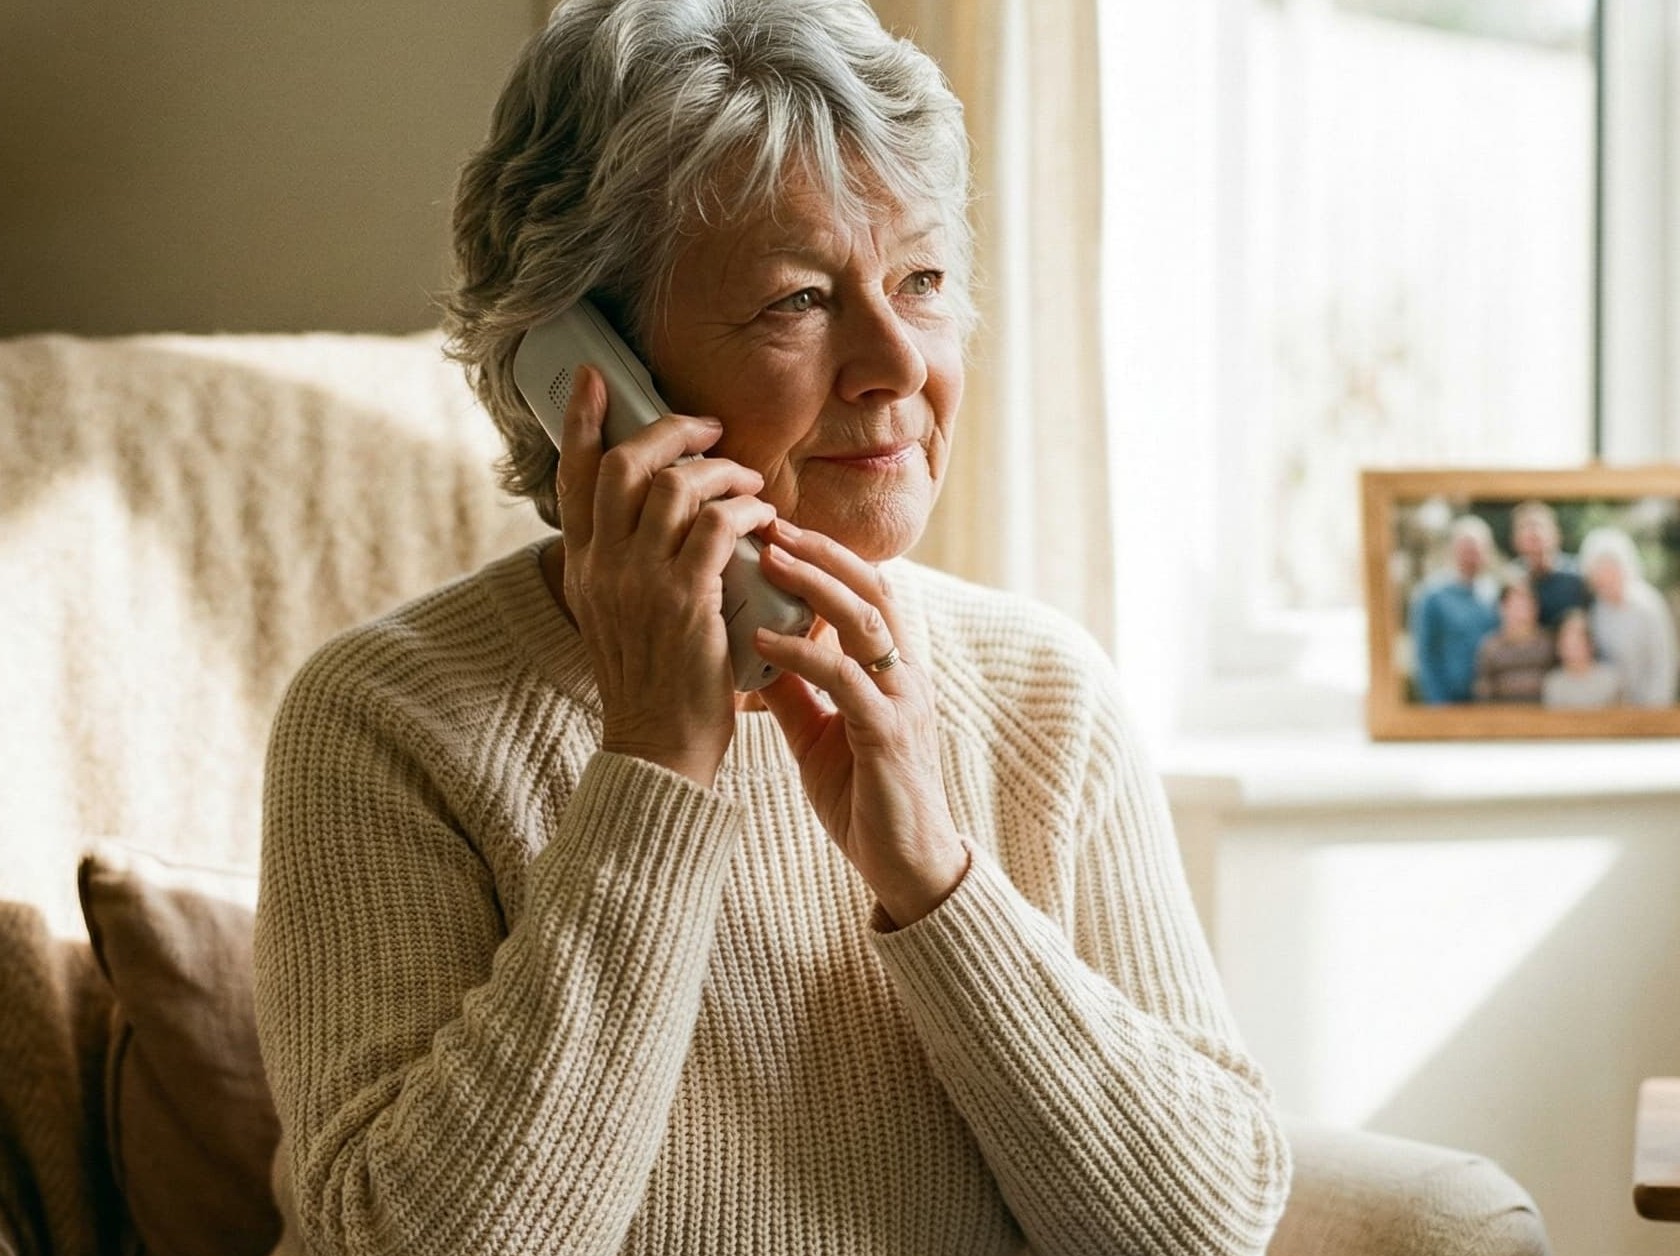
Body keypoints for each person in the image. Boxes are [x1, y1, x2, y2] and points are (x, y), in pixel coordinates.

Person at [250, 2, 1291, 1254]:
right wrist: (649, 764)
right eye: (800, 300)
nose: (899, 362)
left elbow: (1209, 1229)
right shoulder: (384, 717)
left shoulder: (1043, 689)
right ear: (587, 374)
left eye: (921, 280)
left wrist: (938, 881)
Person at [1580, 526, 1679, 708]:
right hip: (1615, 707)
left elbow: (1663, 662)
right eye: (1598, 572)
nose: (1604, 578)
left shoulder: (1649, 604)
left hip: (1652, 703)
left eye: (1609, 570)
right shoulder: (1598, 610)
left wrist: (1654, 707)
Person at [1408, 514, 1500, 704]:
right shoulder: (1432, 595)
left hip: (1488, 701)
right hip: (1448, 700)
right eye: (1466, 550)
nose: (1472, 556)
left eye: (1477, 550)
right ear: (1452, 550)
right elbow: (1424, 656)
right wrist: (1437, 703)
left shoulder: (1493, 592)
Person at [1507, 499, 1589, 630]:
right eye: (1527, 532)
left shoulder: (1578, 576)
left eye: (1539, 528)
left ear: (1556, 535)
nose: (1534, 535)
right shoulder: (1512, 580)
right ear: (1516, 541)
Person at [1473, 580, 1555, 703]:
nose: (1521, 613)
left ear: (1535, 609)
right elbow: (1482, 688)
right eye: (1515, 606)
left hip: (1543, 715)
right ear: (1503, 609)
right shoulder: (1490, 646)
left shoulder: (1548, 643)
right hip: (1502, 716)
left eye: (1526, 606)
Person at [1541, 608, 1625, 710]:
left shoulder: (1610, 679)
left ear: (1591, 645)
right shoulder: (1554, 683)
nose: (1572, 648)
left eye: (1578, 641)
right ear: (1559, 647)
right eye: (1567, 642)